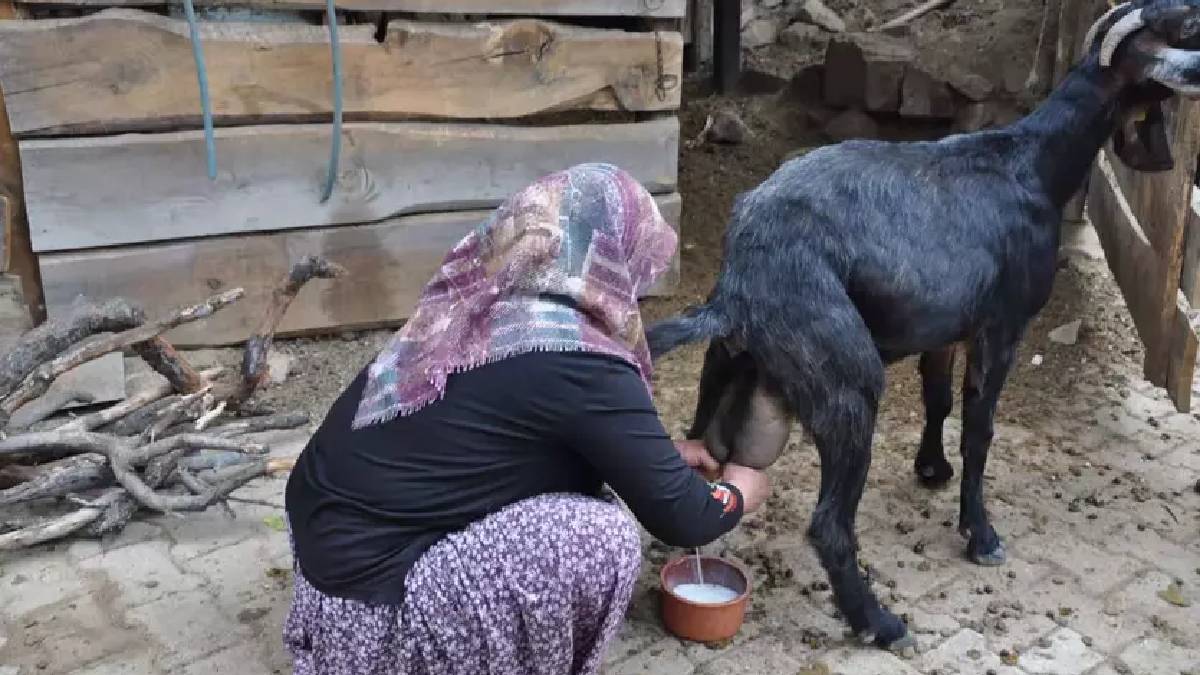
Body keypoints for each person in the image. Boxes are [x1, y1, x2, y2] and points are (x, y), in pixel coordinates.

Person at [283, 163, 772, 675]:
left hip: (325, 577)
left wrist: (663, 458)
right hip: (377, 621)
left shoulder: (479, 309)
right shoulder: (580, 358)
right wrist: (739, 489)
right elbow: (687, 517)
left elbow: (516, 434)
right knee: (599, 537)